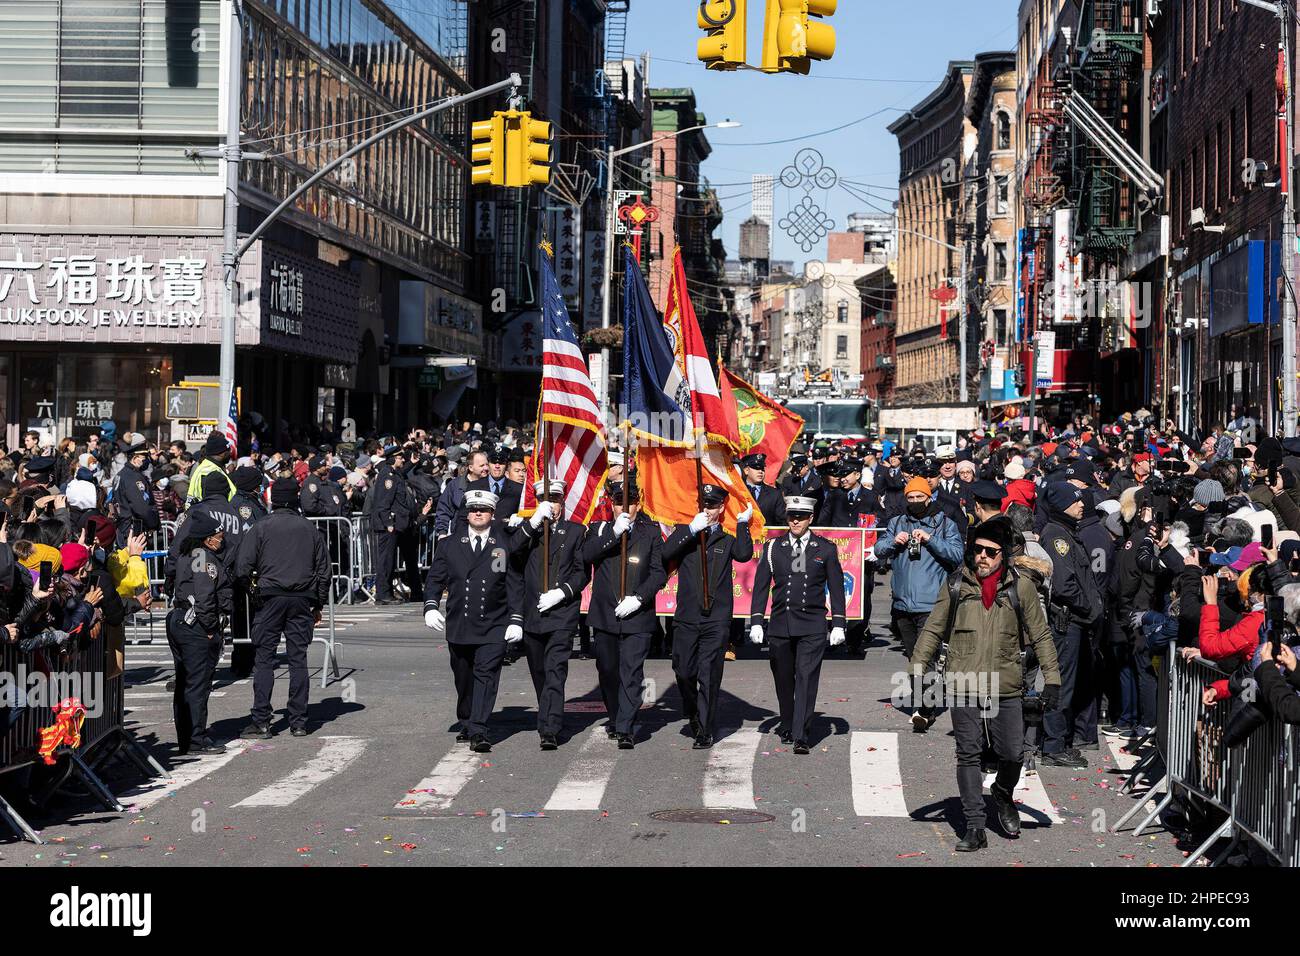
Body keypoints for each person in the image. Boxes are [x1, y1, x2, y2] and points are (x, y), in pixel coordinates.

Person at [908, 517, 1062, 851]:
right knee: (968, 754)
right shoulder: (957, 584)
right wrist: (917, 668)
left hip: (1006, 683)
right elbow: (934, 628)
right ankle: (975, 827)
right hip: (963, 681)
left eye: (990, 552)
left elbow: (1041, 634)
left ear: (1003, 555)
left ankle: (1003, 794)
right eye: (977, 549)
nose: (982, 557)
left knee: (1012, 752)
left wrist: (1052, 678)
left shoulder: (1020, 587)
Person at [423, 489, 527, 753]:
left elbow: (512, 583)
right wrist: (431, 606)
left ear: (492, 514)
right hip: (460, 623)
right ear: (466, 513)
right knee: (463, 676)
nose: (478, 513)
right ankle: (467, 719)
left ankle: (479, 728)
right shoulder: (449, 544)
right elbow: (435, 579)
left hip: (493, 623)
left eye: (483, 509)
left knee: (486, 674)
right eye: (473, 509)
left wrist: (516, 619)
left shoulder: (502, 544)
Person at [748, 495, 847, 754]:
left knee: (806, 677)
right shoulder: (773, 547)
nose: (795, 521)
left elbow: (836, 588)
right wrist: (756, 621)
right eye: (792, 516)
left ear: (810, 518)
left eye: (801, 516)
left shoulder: (825, 548)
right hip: (781, 623)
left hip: (812, 624)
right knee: (783, 679)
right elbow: (760, 587)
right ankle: (788, 721)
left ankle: (801, 733)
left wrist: (839, 623)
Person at [233, 477, 330, 739]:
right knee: (298, 659)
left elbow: (242, 567)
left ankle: (262, 720)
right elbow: (324, 570)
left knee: (264, 659)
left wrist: (253, 592)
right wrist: (317, 602)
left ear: (273, 500)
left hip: (270, 597)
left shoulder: (261, 526)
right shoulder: (309, 529)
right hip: (301, 598)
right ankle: (298, 721)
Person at [662, 485, 754, 748]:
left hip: (716, 618)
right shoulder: (686, 533)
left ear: (721, 508)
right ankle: (692, 710)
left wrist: (742, 523)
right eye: (703, 505)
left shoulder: (725, 540)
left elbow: (744, 554)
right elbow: (666, 554)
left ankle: (704, 728)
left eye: (712, 506)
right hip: (687, 616)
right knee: (683, 669)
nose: (707, 510)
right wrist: (691, 530)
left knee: (710, 673)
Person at [873, 476, 965, 731]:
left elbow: (957, 555)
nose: (914, 502)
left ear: (929, 497)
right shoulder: (896, 522)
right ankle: (923, 701)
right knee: (913, 656)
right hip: (903, 603)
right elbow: (878, 550)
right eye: (910, 497)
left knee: (924, 658)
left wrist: (930, 539)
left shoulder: (944, 523)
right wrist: (894, 541)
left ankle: (925, 709)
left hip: (931, 603)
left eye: (919, 497)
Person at [582, 476, 666, 749]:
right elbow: (587, 555)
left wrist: (639, 598)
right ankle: (617, 716)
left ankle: (626, 726)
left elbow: (658, 572)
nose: (624, 508)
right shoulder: (599, 530)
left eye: (630, 503)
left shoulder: (650, 532)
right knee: (607, 671)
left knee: (631, 671)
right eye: (619, 503)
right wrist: (614, 533)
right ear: (612, 505)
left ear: (638, 505)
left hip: (637, 616)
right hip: (605, 615)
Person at [511, 480, 586, 750]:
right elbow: (511, 552)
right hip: (533, 613)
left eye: (555, 499)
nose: (551, 504)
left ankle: (549, 728)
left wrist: (563, 593)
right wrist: (532, 524)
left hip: (562, 613)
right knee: (539, 671)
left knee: (556, 670)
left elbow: (581, 572)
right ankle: (549, 711)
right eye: (545, 499)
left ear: (562, 502)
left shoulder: (575, 531)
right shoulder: (527, 530)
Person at [1038, 483, 1104, 767]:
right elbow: (1065, 586)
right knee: (1061, 685)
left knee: (1069, 685)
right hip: (1068, 622)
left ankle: (1060, 741)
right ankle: (1053, 747)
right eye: (1075, 502)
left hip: (1076, 621)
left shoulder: (1066, 533)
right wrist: (1089, 608)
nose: (1081, 506)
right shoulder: (1056, 537)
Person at [166, 511, 231, 755]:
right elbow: (205, 596)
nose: (221, 539)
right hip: (194, 625)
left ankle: (188, 736)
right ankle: (196, 739)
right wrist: (210, 628)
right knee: (198, 684)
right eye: (218, 535)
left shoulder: (188, 554)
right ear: (207, 538)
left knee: (185, 682)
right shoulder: (204, 558)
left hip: (180, 620)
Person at [369, 445, 413, 605]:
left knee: (390, 560)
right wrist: (388, 523)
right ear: (393, 458)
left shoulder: (394, 474)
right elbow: (383, 503)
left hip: (395, 524)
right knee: (386, 561)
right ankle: (383, 594)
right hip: (389, 524)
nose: (402, 459)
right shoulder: (387, 476)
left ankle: (386, 592)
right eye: (400, 457)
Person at [112, 434, 160, 548]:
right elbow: (141, 507)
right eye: (143, 457)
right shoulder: (133, 477)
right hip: (133, 531)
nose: (146, 460)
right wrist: (154, 523)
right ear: (135, 458)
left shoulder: (122, 474)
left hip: (125, 528)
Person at [740, 453, 787, 526]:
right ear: (746, 470)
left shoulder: (775, 494)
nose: (760, 471)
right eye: (756, 468)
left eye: (762, 468)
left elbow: (782, 521)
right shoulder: (738, 491)